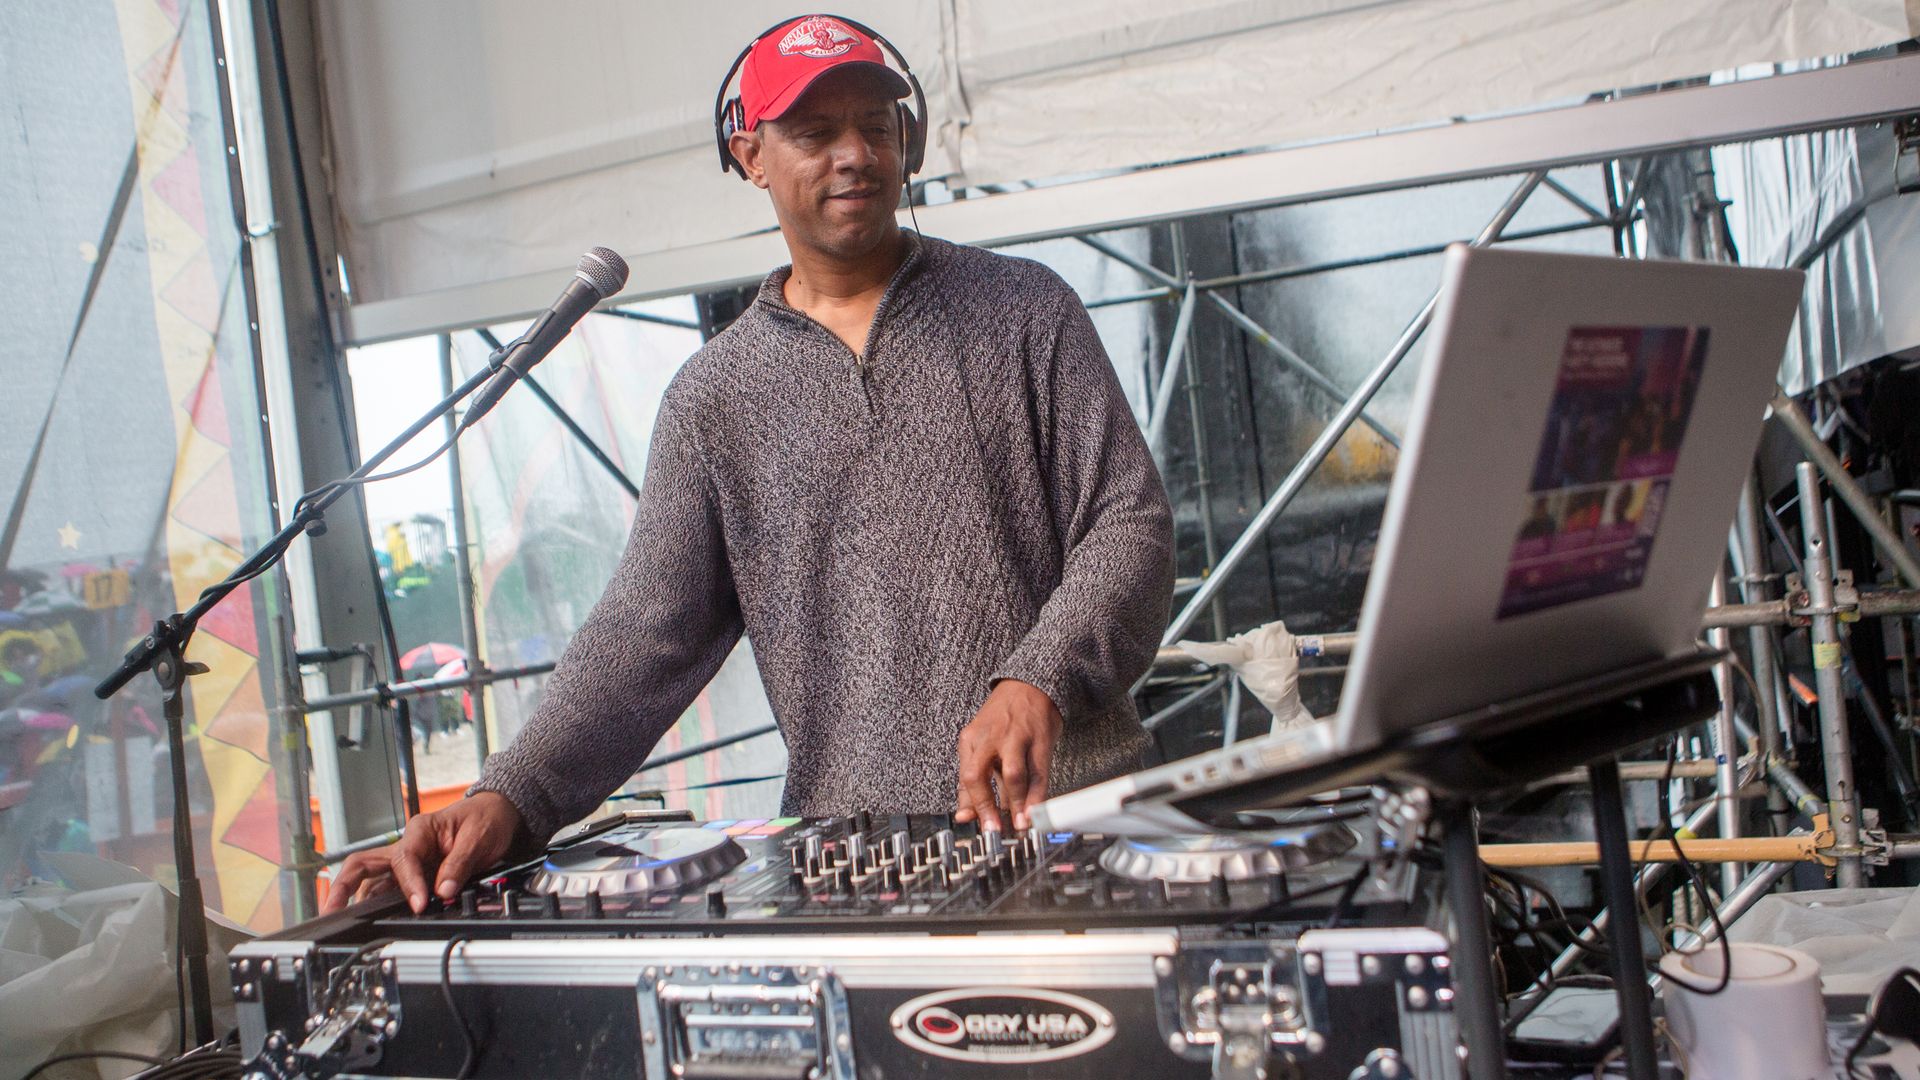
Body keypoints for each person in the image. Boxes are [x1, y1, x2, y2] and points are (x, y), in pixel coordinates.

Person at [326, 13, 1173, 915]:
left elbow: (1130, 526)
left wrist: (1037, 675)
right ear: (750, 155)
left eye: (875, 127)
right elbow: (644, 636)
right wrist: (510, 793)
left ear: (909, 141)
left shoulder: (1025, 310)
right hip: (863, 872)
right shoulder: (712, 400)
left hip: (1080, 827)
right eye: (814, 133)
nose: (854, 154)